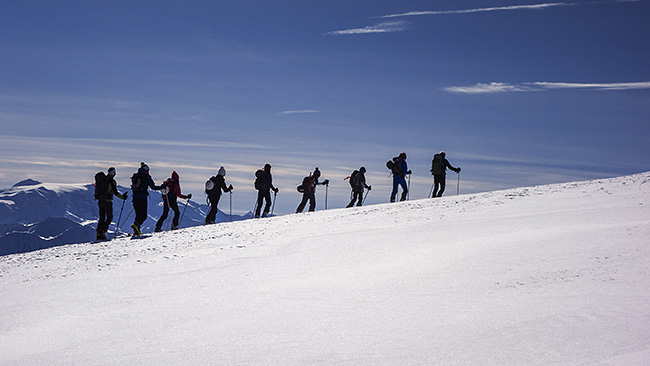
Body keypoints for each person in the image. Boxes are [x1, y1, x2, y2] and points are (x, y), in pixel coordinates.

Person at [95, 167, 127, 241]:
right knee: (110, 217)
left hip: (100, 200)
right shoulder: (111, 181)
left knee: (102, 218)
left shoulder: (102, 180)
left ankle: (98, 234)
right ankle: (103, 231)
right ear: (114, 173)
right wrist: (123, 197)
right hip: (107, 201)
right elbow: (115, 192)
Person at [130, 162, 163, 235]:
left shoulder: (136, 176)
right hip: (142, 197)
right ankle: (136, 225)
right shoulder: (146, 177)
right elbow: (153, 187)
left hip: (135, 197)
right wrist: (162, 187)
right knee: (144, 215)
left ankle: (136, 230)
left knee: (138, 214)